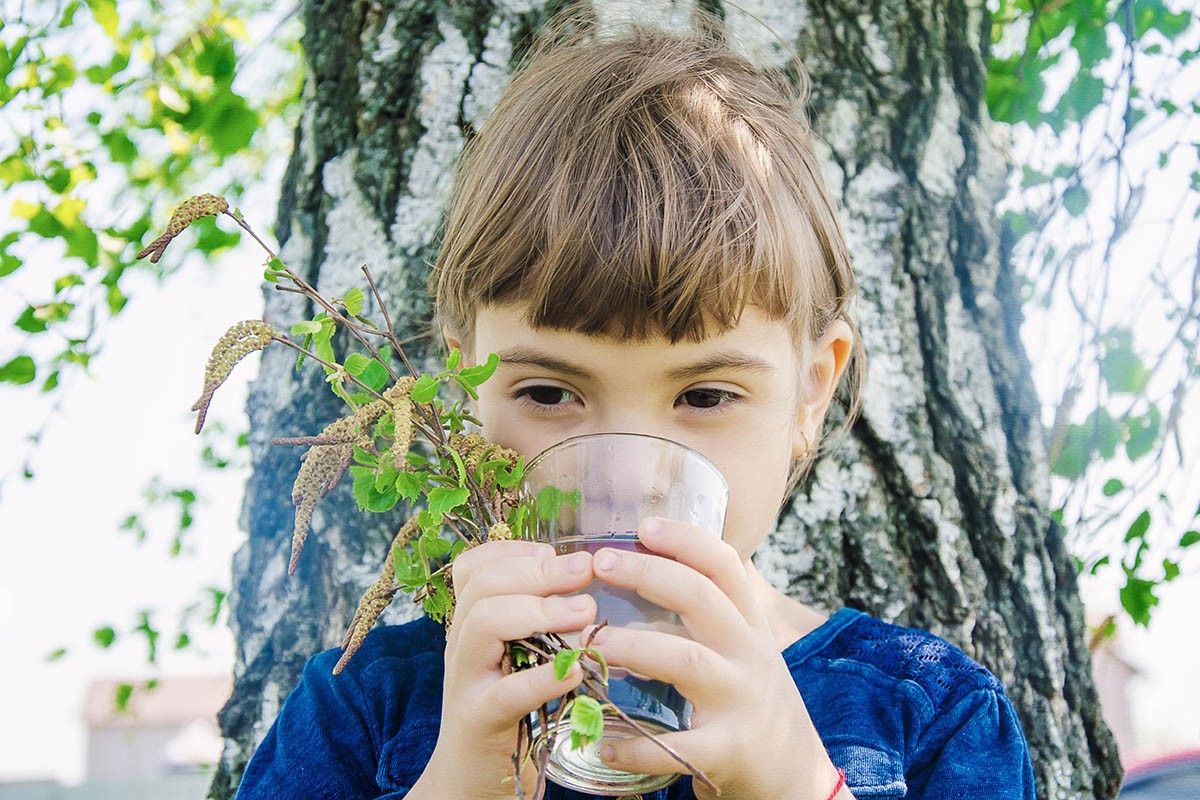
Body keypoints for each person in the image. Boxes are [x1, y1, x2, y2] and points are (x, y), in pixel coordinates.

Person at [235, 10, 1036, 800]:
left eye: (706, 394)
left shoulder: (925, 716)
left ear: (810, 395)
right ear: (466, 387)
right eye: (549, 392)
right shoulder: (368, 710)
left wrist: (797, 786)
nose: (630, 477)